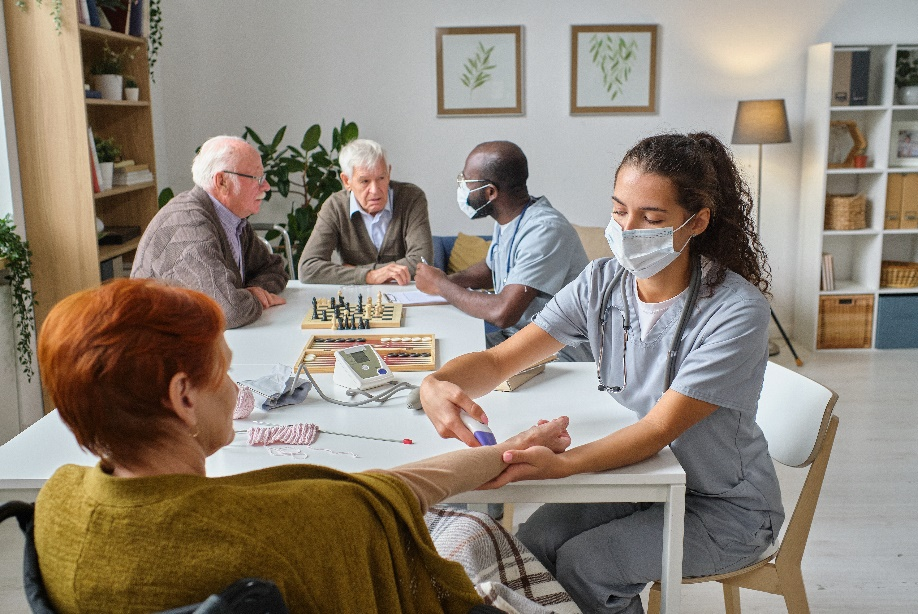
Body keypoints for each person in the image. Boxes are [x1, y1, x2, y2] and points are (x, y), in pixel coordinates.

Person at [33, 278, 572, 613]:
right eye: (223, 369)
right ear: (183, 398)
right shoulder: (288, 530)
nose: (237, 387)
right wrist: (515, 446)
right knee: (475, 531)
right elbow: (384, 495)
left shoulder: (55, 507)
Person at [419, 132, 784, 614]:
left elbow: (657, 429)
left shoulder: (736, 312)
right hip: (648, 480)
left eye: (651, 218)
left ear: (696, 223)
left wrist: (564, 465)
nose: (628, 230)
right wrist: (437, 384)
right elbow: (498, 361)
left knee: (587, 565)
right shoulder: (601, 283)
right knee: (530, 544)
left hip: (724, 506)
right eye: (618, 211)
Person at [415, 141, 591, 362]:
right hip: (519, 340)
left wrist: (441, 285)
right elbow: (490, 268)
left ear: (490, 192)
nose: (462, 187)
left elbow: (503, 313)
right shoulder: (509, 219)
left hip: (558, 353)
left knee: (451, 366)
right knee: (442, 351)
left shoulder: (545, 230)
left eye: (466, 181)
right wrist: (447, 280)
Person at [131, 135, 287, 329]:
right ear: (222, 181)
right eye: (257, 178)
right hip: (155, 349)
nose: (266, 186)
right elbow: (228, 311)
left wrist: (249, 292)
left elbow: (274, 269)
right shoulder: (188, 224)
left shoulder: (233, 219)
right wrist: (251, 296)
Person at [298, 139, 433, 285]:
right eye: (365, 181)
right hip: (358, 300)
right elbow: (308, 268)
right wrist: (369, 276)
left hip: (405, 295)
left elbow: (422, 262)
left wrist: (356, 271)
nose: (375, 190)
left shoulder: (411, 198)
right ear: (346, 181)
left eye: (381, 178)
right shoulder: (335, 207)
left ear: (389, 173)